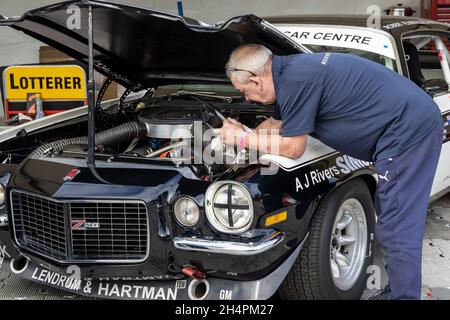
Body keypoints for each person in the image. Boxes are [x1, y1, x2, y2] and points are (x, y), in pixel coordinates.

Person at [218, 44, 444, 300]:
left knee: (397, 227)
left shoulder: (295, 80)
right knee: (391, 216)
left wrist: (242, 140)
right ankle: (398, 291)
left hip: (407, 133)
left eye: (244, 92)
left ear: (256, 80)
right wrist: (237, 137)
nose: (246, 99)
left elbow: (293, 147)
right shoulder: (289, 73)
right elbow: (276, 123)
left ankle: (404, 297)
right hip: (406, 126)